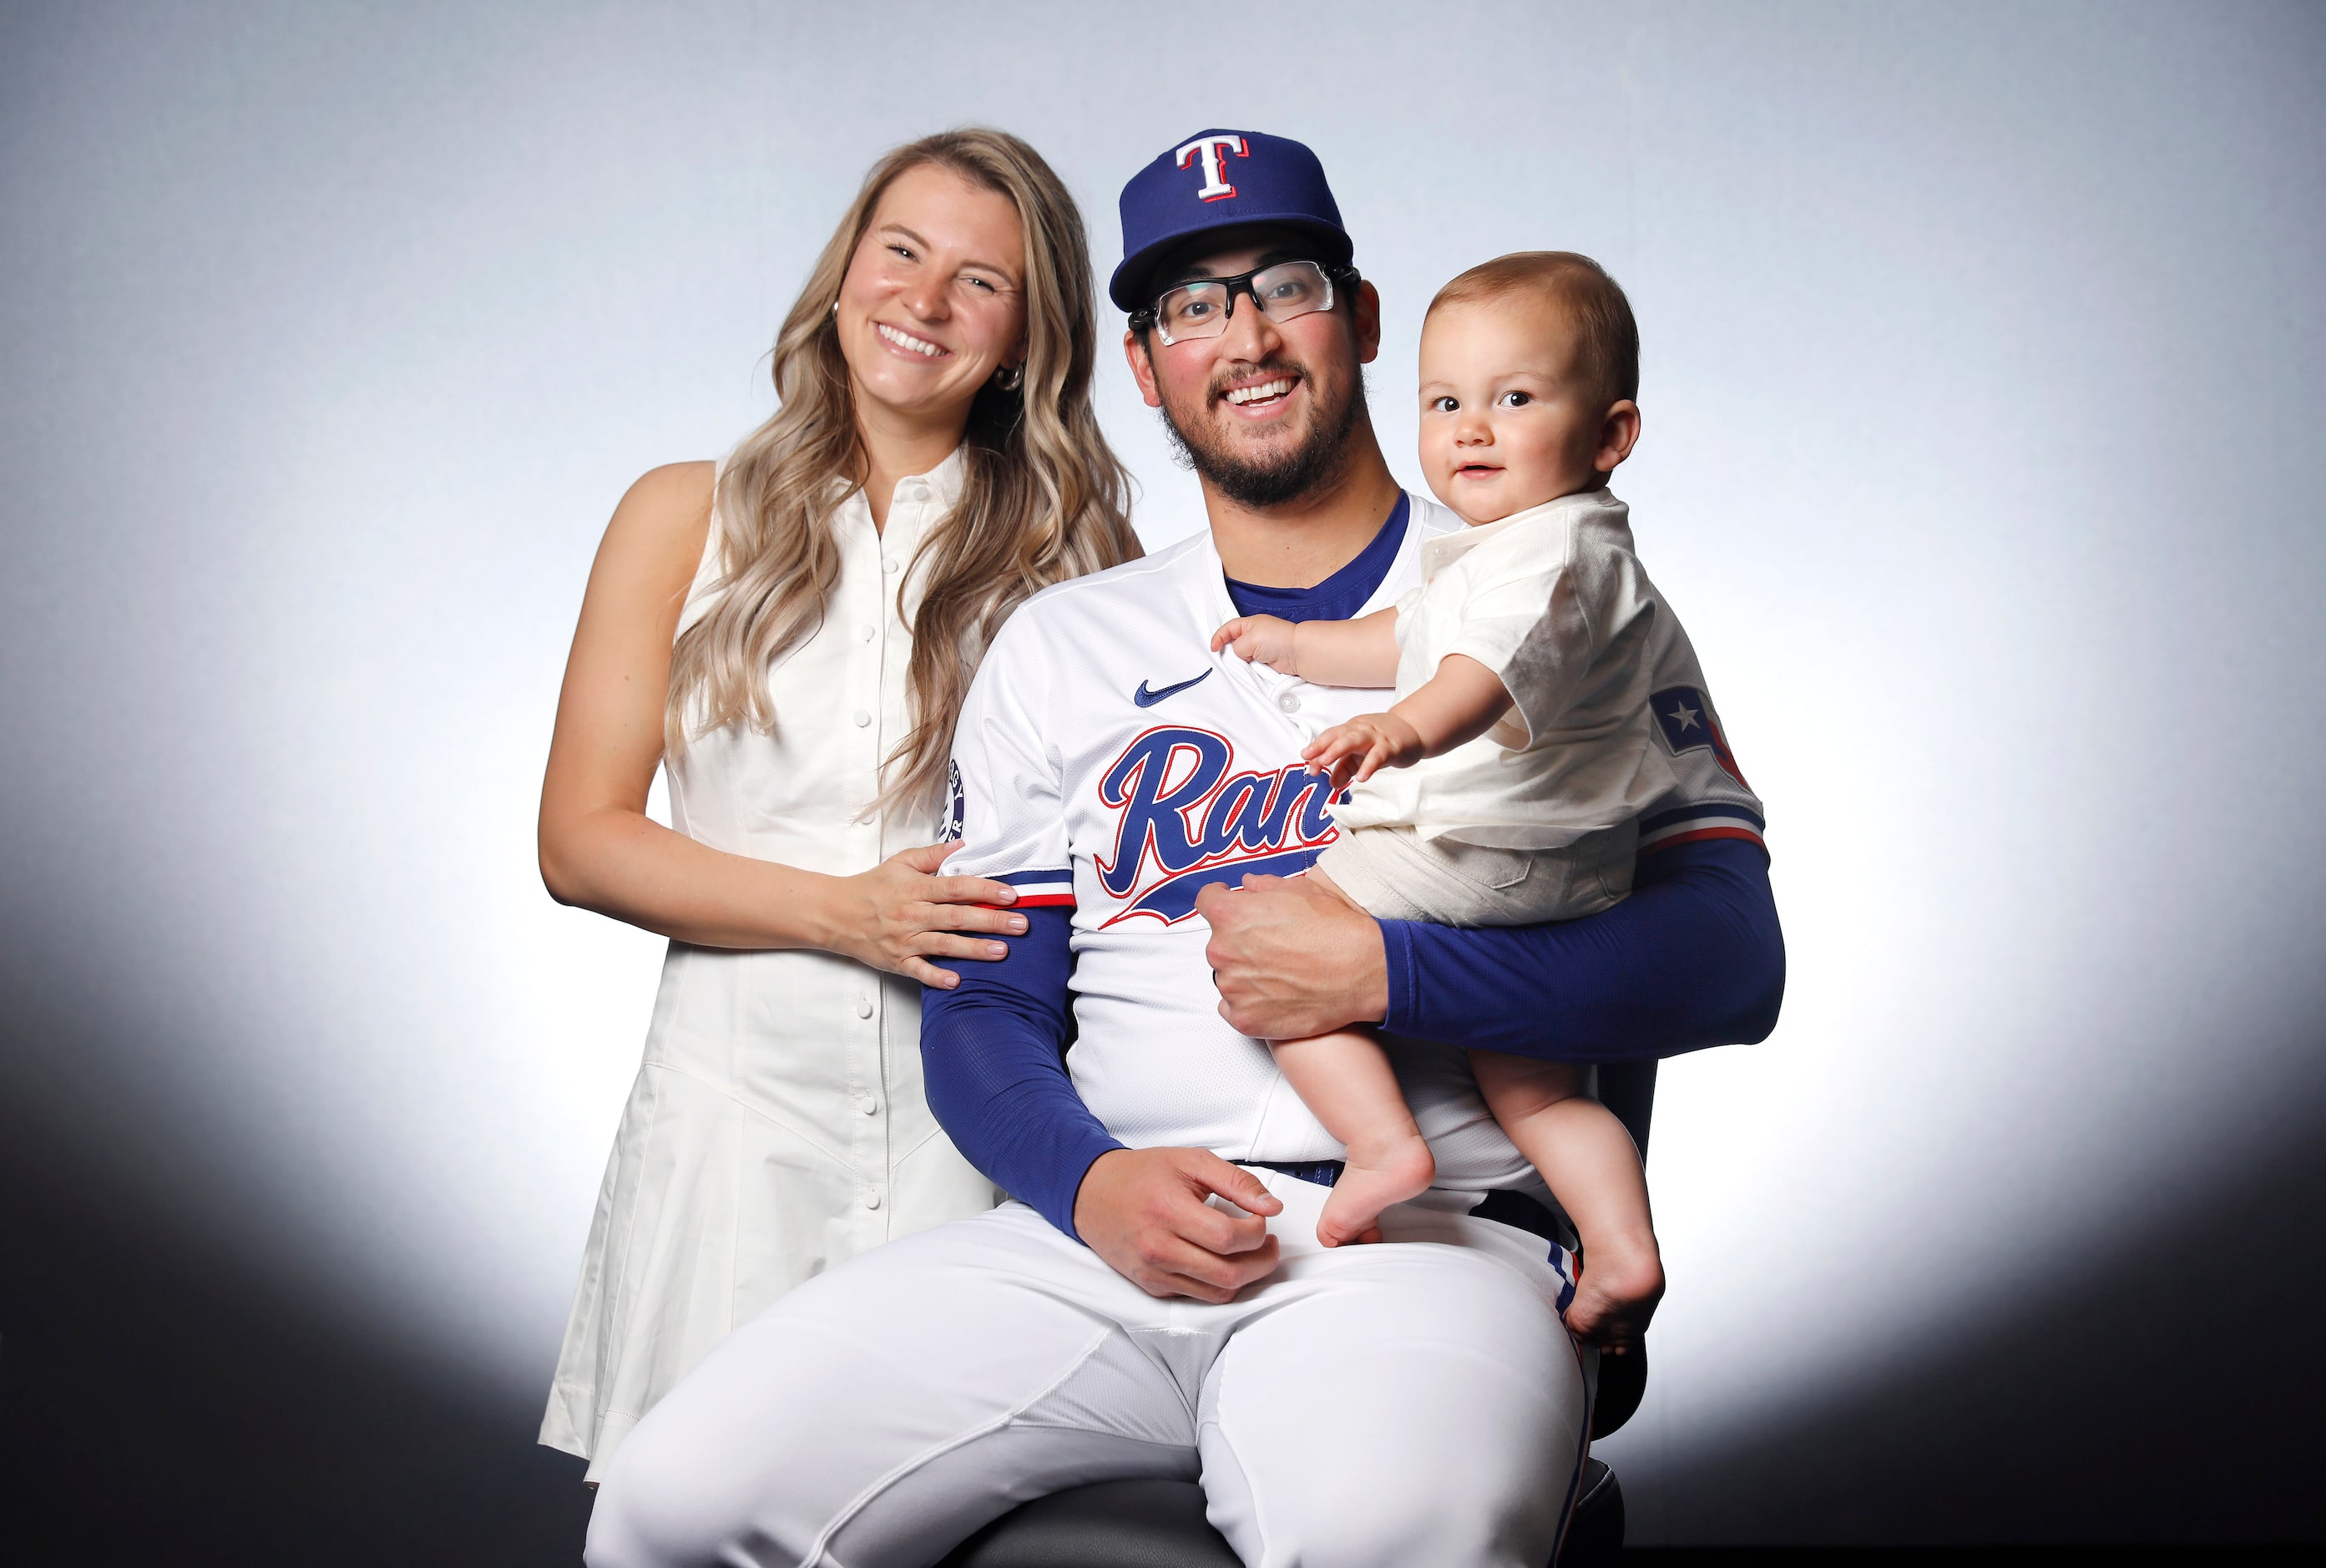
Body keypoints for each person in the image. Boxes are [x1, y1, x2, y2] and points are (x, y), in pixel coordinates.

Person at [584, 129, 1781, 1568]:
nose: (1247, 335)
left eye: (1284, 283)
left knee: (1399, 1533)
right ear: (1144, 366)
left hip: (1427, 1240)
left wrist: (1389, 976)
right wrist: (1088, 1183)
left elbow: (1731, 960)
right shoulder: (1064, 640)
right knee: (678, 1499)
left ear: (1364, 319)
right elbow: (988, 1004)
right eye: (1191, 306)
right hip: (1096, 1240)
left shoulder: (1556, 589)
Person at [533, 129, 1139, 1482]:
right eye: (900, 252)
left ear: (1029, 333)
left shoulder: (1085, 555)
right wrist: (845, 914)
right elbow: (579, 841)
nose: (923, 305)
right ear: (844, 269)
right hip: (737, 1126)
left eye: (980, 282)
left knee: (952, 1510)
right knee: (695, 1501)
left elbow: (1131, 866)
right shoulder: (682, 514)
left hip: (978, 1120)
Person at [1211, 250, 1677, 1355]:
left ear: (1609, 436)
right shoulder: (1516, 545)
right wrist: (1299, 645)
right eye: (1444, 402)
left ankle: (1379, 1147)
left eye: (1514, 400)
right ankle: (1618, 1244)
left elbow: (1475, 669)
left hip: (1487, 847)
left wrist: (1401, 728)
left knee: (1265, 934)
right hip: (1556, 871)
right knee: (1533, 1085)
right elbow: (1407, 637)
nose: (1471, 429)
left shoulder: (1554, 554)